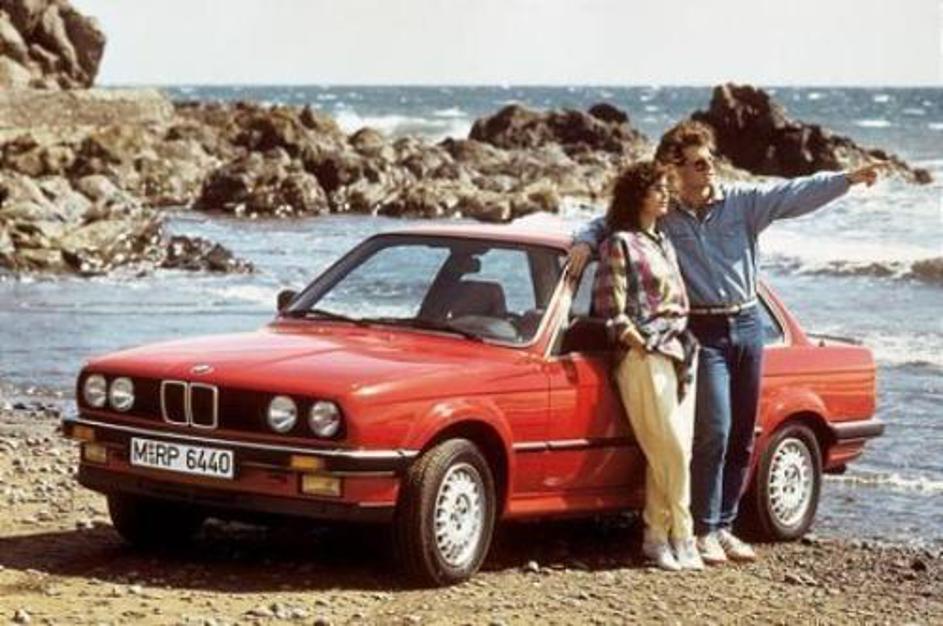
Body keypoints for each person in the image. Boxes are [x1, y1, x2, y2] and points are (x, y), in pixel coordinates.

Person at [573, 121, 881, 564]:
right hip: (703, 332)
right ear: (676, 168)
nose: (710, 168)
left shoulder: (742, 203)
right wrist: (584, 242)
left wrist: (847, 179)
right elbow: (609, 222)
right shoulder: (665, 214)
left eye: (711, 159)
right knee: (712, 431)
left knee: (741, 433)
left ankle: (723, 526)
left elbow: (794, 194)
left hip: (749, 324)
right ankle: (700, 529)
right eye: (699, 163)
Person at [592, 160, 702, 571]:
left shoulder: (663, 242)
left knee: (670, 449)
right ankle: (684, 535)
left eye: (666, 187)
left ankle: (655, 537)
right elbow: (610, 307)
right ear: (638, 196)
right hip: (643, 354)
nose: (666, 194)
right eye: (658, 188)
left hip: (681, 350)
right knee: (670, 446)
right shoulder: (619, 243)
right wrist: (636, 342)